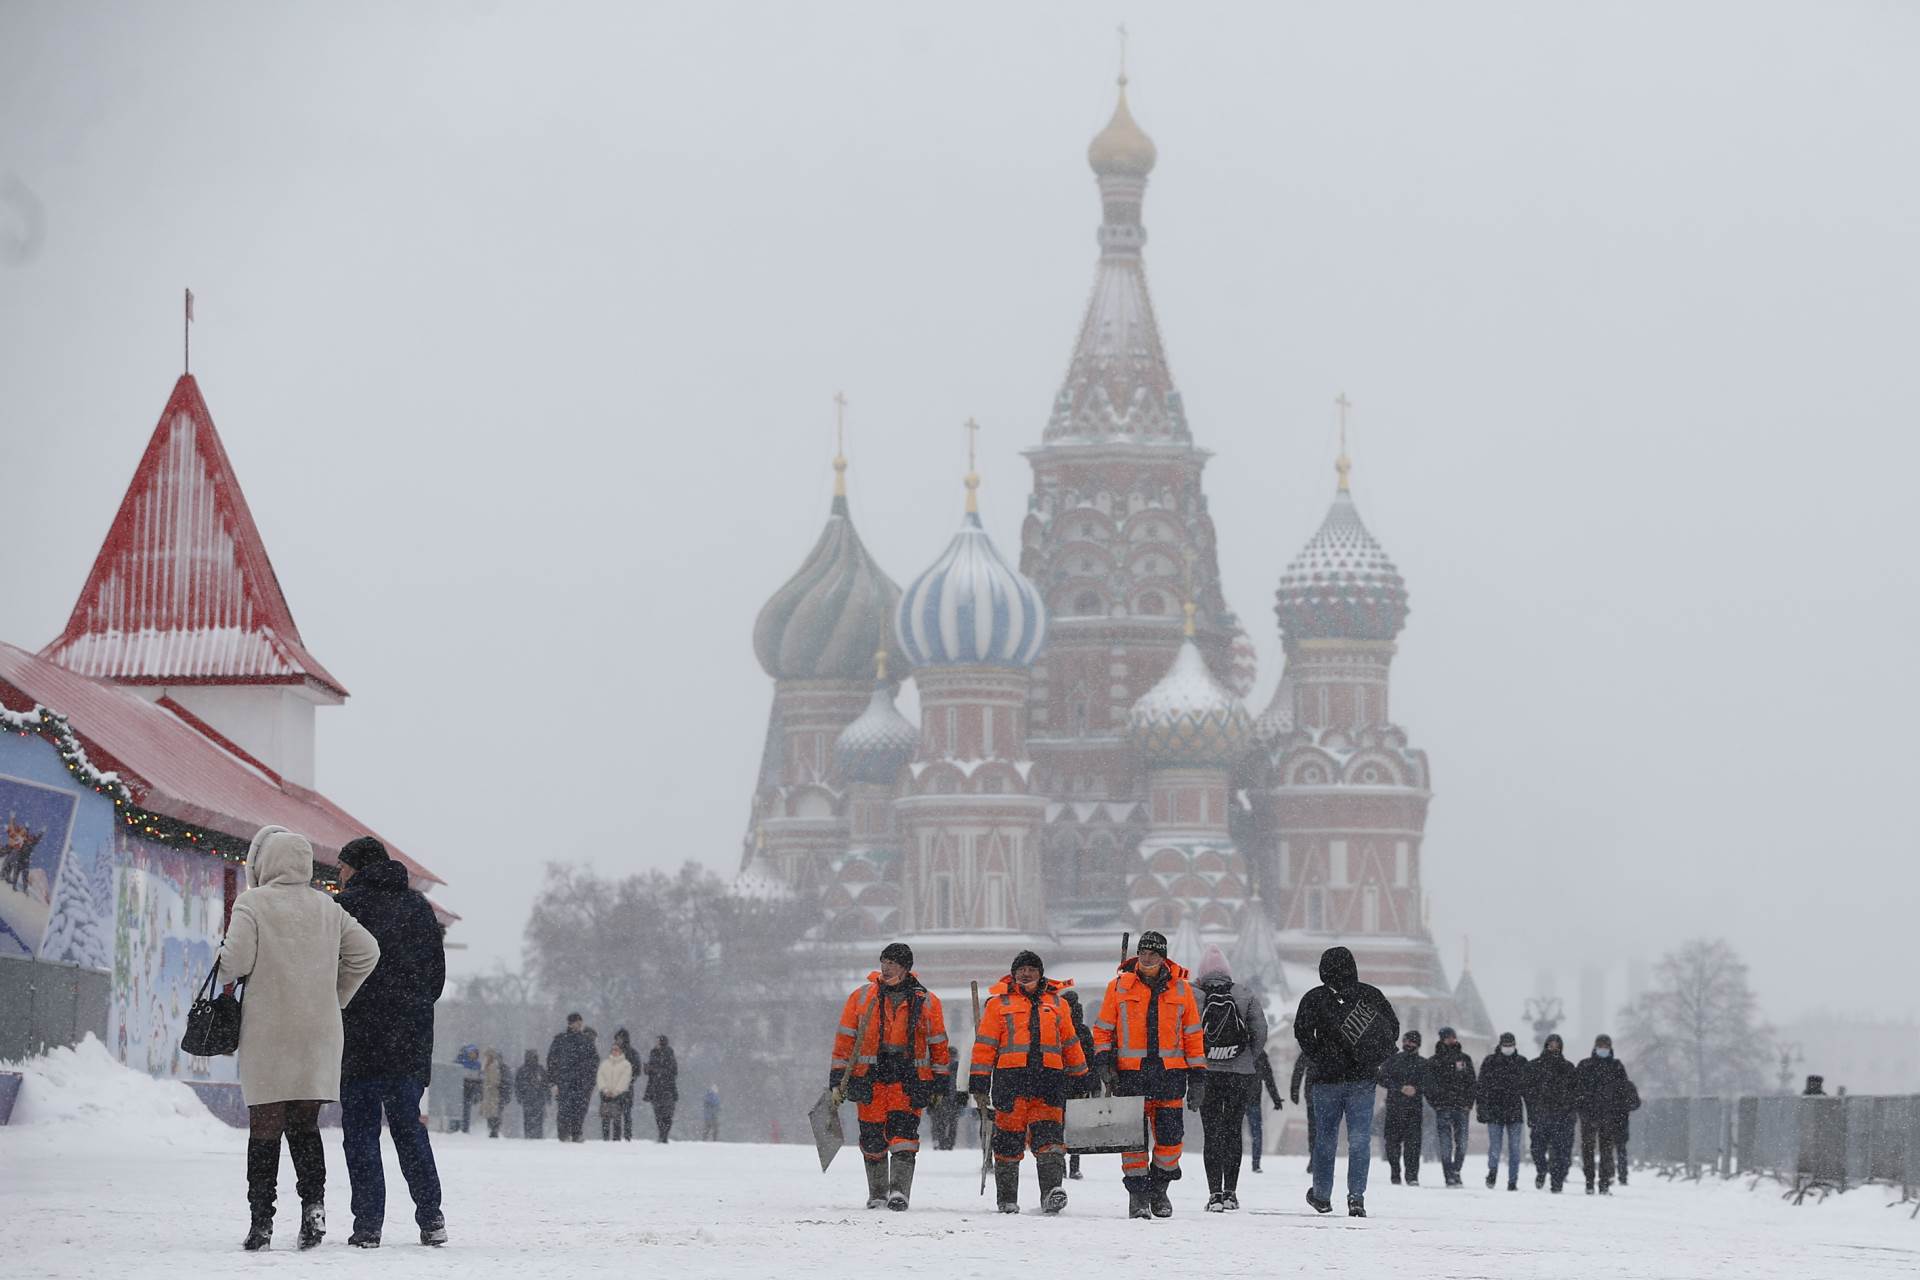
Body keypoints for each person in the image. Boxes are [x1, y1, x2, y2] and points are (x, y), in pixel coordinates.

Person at [218, 825, 380, 1252]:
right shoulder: (328, 908)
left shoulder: (253, 903)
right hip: (318, 1031)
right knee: (305, 1125)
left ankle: (261, 1220)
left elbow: (233, 962)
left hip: (269, 1029)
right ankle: (313, 1209)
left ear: (266, 862)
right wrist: (336, 995)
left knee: (265, 1126)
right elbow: (368, 952)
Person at [334, 835, 448, 1248]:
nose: (339, 873)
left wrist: (354, 1004)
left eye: (342, 866)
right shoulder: (418, 907)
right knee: (407, 1127)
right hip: (408, 1040)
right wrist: (410, 1008)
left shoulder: (344, 908)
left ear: (357, 867)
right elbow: (435, 977)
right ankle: (431, 1216)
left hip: (358, 1037)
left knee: (361, 1132)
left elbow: (334, 971)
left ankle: (368, 1225)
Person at [1091, 930, 1207, 1219]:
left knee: (1171, 1140)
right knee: (1133, 1142)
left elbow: (1192, 1035)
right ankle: (1138, 1195)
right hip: (1130, 1076)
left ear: (1163, 957)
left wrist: (1198, 1076)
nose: (1146, 958)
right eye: (1142, 953)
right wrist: (1103, 1060)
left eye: (1153, 954)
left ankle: (1160, 1188)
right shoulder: (1118, 987)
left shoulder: (1182, 990)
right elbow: (1103, 1028)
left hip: (1169, 1077)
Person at [829, 941, 952, 1210]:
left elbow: (938, 1045)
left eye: (892, 963)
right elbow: (844, 1041)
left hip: (909, 1079)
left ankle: (899, 1192)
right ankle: (877, 1194)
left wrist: (940, 1081)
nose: (886, 968)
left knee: (904, 1136)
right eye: (883, 962)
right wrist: (837, 1080)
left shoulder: (927, 1002)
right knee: (872, 1138)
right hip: (869, 1078)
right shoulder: (862, 997)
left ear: (906, 968)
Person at [968, 949, 1089, 1215]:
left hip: (1048, 1083)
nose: (1026, 974)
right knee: (1008, 1143)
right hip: (1011, 1084)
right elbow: (985, 1046)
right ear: (1013, 974)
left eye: (1031, 969)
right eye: (1021, 969)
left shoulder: (1058, 1004)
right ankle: (1007, 1199)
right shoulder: (998, 1004)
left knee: (1050, 1141)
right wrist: (979, 1081)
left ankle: (1051, 1193)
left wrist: (1081, 1076)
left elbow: (1070, 1042)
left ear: (1040, 974)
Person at [1293, 945, 1398, 1218]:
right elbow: (1392, 1030)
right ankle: (1356, 1197)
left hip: (1326, 1080)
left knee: (1325, 1139)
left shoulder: (1314, 998)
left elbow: (1302, 1032)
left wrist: (1320, 1056)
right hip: (1362, 1079)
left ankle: (1322, 1195)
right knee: (1359, 1140)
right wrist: (1370, 1056)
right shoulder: (1370, 995)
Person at [1193, 944, 1266, 1211]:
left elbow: (1183, 1033)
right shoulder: (1244, 993)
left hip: (1206, 1073)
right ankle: (1231, 1193)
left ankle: (1214, 1194)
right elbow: (1261, 1031)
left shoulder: (1192, 995)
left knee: (1211, 1132)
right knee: (1233, 1131)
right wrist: (1245, 1057)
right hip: (1239, 1074)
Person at [1574, 1033, 1637, 1195]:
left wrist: (1620, 1108)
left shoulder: (1616, 1067)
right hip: (1590, 1114)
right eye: (1600, 1046)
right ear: (1595, 1047)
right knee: (1589, 1149)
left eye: (1605, 1047)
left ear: (1610, 1048)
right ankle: (1589, 1180)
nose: (1603, 1049)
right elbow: (1576, 1089)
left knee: (1606, 1151)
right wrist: (1581, 1107)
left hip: (1608, 1116)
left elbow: (1623, 1090)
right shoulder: (1586, 1066)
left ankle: (1603, 1182)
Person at [1424, 1027, 1475, 1187]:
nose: (1450, 1040)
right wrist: (1436, 1103)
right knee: (1445, 1144)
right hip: (1443, 1107)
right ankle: (1449, 1175)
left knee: (1462, 1143)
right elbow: (1429, 1086)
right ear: (1441, 1039)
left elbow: (1471, 1083)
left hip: (1462, 1107)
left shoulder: (1464, 1059)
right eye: (1447, 1037)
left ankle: (1456, 1170)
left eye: (1452, 1037)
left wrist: (1468, 1103)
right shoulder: (1434, 1061)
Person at [1526, 1034, 1577, 1192]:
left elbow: (1575, 1092)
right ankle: (1542, 1170)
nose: (1553, 1048)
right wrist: (1533, 1110)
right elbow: (1527, 1091)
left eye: (1557, 1045)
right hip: (1540, 1114)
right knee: (1537, 1149)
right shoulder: (1534, 1066)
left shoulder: (1568, 1067)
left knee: (1559, 1152)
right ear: (1546, 1045)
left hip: (1561, 1116)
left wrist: (1570, 1112)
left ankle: (1556, 1181)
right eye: (1551, 1045)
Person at [1477, 1032, 1528, 1190]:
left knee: (1514, 1148)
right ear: (1500, 1045)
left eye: (1510, 1045)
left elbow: (1528, 1089)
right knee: (1495, 1146)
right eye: (1505, 1045)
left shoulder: (1521, 1062)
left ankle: (1513, 1180)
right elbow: (1481, 1087)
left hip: (1514, 1110)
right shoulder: (1490, 1062)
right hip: (1495, 1110)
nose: (1508, 1048)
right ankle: (1492, 1172)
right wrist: (1482, 1108)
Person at [1376, 1029, 1425, 1185]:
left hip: (1414, 1110)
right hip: (1394, 1108)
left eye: (1410, 1041)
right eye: (1405, 1041)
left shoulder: (1424, 1064)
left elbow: (1431, 1084)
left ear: (1417, 1044)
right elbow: (1382, 1078)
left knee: (1413, 1145)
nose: (1407, 1044)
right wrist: (1399, 1088)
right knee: (1392, 1143)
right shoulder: (1393, 1060)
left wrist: (1416, 1089)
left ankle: (1412, 1176)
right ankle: (1395, 1173)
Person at [1060, 987, 1097, 1180]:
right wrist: (1091, 1083)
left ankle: (1062, 1165)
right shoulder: (1082, 1031)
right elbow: (1091, 1059)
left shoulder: (1058, 1028)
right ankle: (1073, 1165)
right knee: (1075, 1128)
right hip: (1078, 1084)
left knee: (1060, 1126)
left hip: (1060, 1083)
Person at [546, 1014, 598, 1143]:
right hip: (564, 1081)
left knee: (580, 1109)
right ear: (570, 1023)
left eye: (580, 1022)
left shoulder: (586, 1041)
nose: (579, 1025)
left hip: (582, 1082)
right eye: (577, 1023)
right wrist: (553, 1083)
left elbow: (594, 1063)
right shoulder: (560, 1040)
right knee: (564, 1109)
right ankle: (563, 1134)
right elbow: (551, 1062)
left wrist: (591, 1083)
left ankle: (577, 1133)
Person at [1246, 1043, 1284, 1174]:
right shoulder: (1261, 1055)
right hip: (1252, 1099)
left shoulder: (1240, 1051)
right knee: (1256, 1133)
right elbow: (1269, 1080)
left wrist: (1276, 1099)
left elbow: (1269, 1079)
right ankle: (1256, 1163)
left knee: (1232, 1132)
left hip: (1238, 1099)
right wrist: (1276, 1099)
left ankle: (1229, 1160)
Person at [643, 1035, 679, 1143]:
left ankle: (664, 1135)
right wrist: (647, 1069)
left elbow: (672, 1071)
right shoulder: (653, 1052)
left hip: (667, 1088)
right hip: (654, 1087)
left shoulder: (669, 1053)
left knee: (667, 1114)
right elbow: (651, 1070)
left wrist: (655, 1070)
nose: (656, 1043)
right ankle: (661, 1134)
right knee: (657, 1113)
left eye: (658, 1041)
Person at [597, 1042, 634, 1141]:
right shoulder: (605, 1063)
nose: (614, 1051)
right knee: (605, 1117)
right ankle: (605, 1139)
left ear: (621, 1051)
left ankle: (616, 1140)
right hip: (605, 1094)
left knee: (617, 1117)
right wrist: (605, 1089)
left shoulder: (626, 1064)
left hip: (619, 1095)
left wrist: (616, 1091)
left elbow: (625, 1079)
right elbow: (600, 1077)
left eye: (616, 1049)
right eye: (613, 1049)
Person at [613, 1029, 642, 1142]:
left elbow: (637, 1070)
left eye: (619, 1038)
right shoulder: (628, 1052)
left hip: (625, 1086)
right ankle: (620, 1135)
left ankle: (625, 1135)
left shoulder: (630, 1052)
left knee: (625, 1112)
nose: (617, 1041)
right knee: (619, 1112)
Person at [514, 1050, 548, 1139]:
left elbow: (545, 1084)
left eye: (533, 1057)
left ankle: (538, 1136)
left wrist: (547, 1096)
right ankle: (529, 1136)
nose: (531, 1059)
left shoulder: (540, 1069)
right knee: (528, 1119)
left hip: (538, 1099)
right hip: (527, 1099)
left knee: (538, 1120)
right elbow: (517, 1084)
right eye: (530, 1057)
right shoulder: (522, 1070)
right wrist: (519, 1096)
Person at [1289, 1052, 1317, 1155]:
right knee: (1325, 1127)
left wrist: (1294, 1091)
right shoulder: (1332, 1045)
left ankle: (1314, 1155)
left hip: (1312, 1092)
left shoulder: (1309, 1047)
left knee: (1313, 1126)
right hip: (1327, 1092)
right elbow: (1298, 1069)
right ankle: (1319, 1156)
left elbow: (1298, 1070)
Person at [453, 1043, 482, 1134]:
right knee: (456, 1109)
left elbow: (479, 1080)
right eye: (471, 1053)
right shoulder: (459, 1062)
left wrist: (478, 1092)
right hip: (459, 1089)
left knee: (467, 1109)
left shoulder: (477, 1064)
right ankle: (455, 1128)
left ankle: (465, 1128)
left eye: (475, 1053)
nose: (473, 1055)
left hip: (470, 1089)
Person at [479, 1048, 505, 1139]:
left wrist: (490, 1086)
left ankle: (494, 1131)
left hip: (493, 1094)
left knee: (494, 1113)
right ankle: (491, 1130)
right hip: (488, 1094)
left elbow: (495, 1081)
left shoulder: (493, 1066)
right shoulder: (487, 1066)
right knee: (490, 1113)